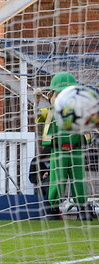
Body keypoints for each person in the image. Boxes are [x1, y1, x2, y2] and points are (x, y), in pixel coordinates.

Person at [39, 72, 90, 218]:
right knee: (57, 180)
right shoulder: (51, 113)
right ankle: (53, 208)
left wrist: (85, 139)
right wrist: (51, 141)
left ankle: (83, 208)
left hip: (76, 151)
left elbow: (86, 130)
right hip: (59, 151)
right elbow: (47, 133)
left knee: (78, 180)